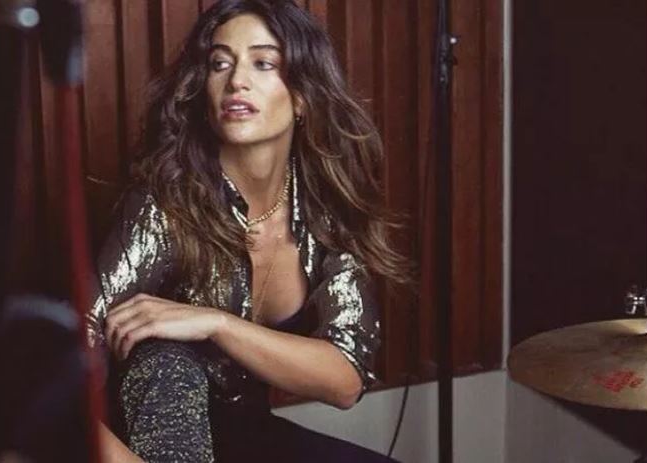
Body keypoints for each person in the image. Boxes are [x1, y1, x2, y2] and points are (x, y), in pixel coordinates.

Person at [87, 1, 409, 461]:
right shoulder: (165, 205)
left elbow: (345, 379)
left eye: (263, 63)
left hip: (244, 434)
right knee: (165, 360)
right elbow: (56, 367)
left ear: (302, 96)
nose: (237, 80)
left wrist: (216, 324)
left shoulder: (323, 214)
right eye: (220, 64)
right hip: (148, 440)